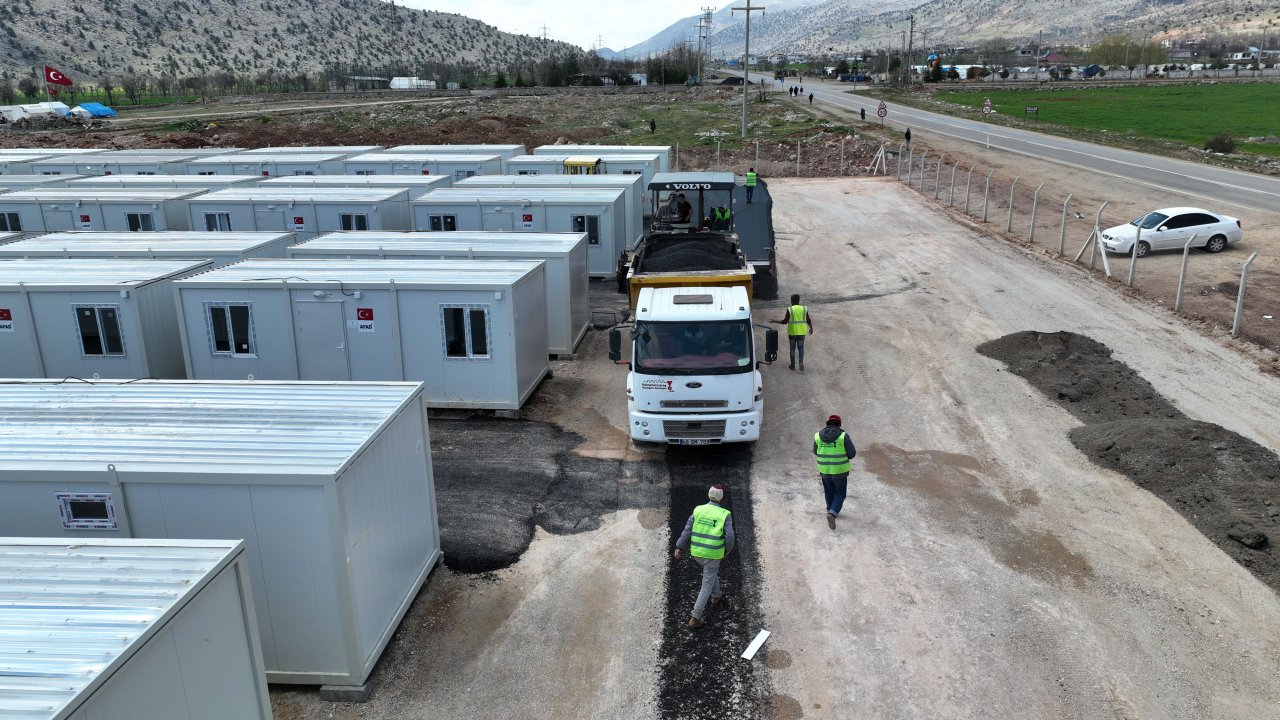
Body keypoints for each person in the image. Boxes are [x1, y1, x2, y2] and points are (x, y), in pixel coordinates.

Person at [674, 483, 735, 628]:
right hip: (713, 555)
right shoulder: (724, 514)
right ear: (721, 499)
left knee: (710, 573)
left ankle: (716, 595)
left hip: (696, 554)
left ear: (709, 495)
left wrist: (679, 547)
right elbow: (730, 537)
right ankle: (695, 617)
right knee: (706, 583)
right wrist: (727, 550)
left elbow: (687, 531)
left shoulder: (698, 510)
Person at [814, 415, 857, 529]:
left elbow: (815, 451)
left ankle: (830, 509)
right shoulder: (843, 436)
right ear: (839, 424)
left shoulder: (818, 436)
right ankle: (832, 513)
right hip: (839, 470)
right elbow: (852, 453)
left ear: (828, 423)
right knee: (840, 493)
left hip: (824, 469)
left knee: (828, 489)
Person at [770, 293, 813, 370]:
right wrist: (811, 328)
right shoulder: (804, 309)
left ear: (792, 301)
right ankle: (801, 362)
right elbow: (808, 320)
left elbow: (784, 321)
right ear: (799, 300)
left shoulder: (790, 309)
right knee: (801, 348)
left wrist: (774, 321)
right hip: (801, 333)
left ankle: (792, 366)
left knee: (792, 348)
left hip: (792, 333)